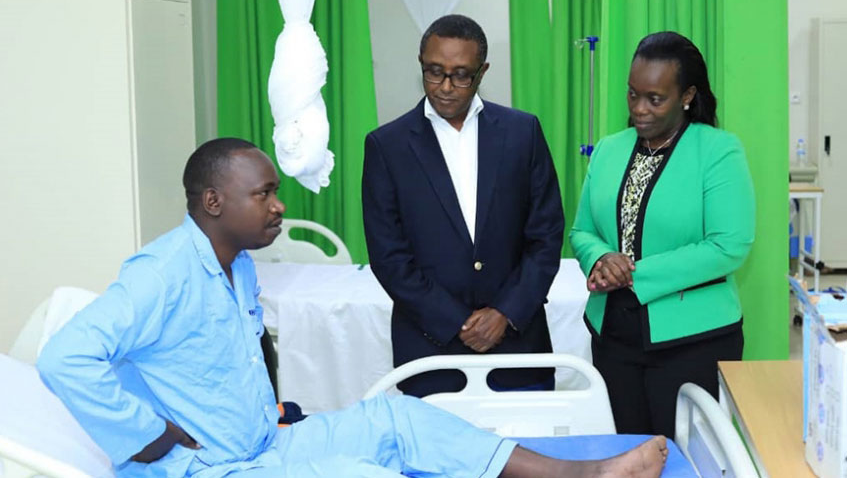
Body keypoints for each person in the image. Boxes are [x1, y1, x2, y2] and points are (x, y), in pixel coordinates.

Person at [38, 138, 667, 477]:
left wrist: (271, 410)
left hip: (266, 443)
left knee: (404, 421)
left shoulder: (237, 266)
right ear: (213, 202)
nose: (279, 206)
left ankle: (583, 477)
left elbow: (215, 363)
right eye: (264, 194)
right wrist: (147, 436)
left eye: (276, 192)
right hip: (212, 469)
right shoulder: (164, 272)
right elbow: (66, 357)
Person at [362, 14, 564, 397]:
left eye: (461, 74)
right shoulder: (386, 146)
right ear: (420, 62)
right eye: (433, 72)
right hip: (430, 350)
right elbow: (389, 256)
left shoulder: (523, 133)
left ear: (482, 71)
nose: (445, 87)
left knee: (533, 453)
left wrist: (504, 313)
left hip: (518, 346)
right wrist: (458, 321)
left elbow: (546, 235)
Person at [569, 31, 755, 439]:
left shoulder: (718, 150)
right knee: (627, 455)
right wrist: (601, 258)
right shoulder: (608, 148)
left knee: (683, 458)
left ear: (687, 95)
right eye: (633, 95)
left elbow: (729, 245)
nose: (640, 109)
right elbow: (582, 229)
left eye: (655, 99)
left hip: (691, 339)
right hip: (613, 334)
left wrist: (634, 273)